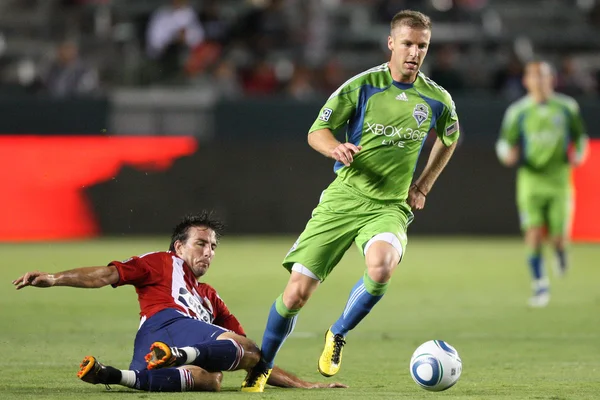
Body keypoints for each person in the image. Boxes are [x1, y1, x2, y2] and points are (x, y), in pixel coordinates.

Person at [240, 10, 460, 392]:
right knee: (296, 294)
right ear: (391, 43)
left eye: (422, 46)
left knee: (382, 267)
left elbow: (450, 137)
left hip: (388, 207)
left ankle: (338, 332)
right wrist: (335, 147)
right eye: (407, 43)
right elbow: (317, 131)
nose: (414, 52)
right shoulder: (362, 86)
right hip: (343, 199)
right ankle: (263, 366)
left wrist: (422, 185)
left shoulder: (436, 98)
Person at [12, 212, 346, 392]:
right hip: (164, 323)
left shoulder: (210, 297)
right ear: (178, 247)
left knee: (213, 378)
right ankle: (179, 355)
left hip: (153, 348)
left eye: (213, 247)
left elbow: (252, 359)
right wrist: (56, 278)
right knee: (237, 351)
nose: (208, 252)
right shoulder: (160, 263)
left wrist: (304, 383)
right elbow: (104, 275)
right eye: (201, 243)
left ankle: (114, 375)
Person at [496, 61, 589, 308]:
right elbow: (504, 142)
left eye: (544, 77)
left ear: (552, 80)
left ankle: (560, 252)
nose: (540, 82)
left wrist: (579, 154)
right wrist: (507, 154)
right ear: (526, 82)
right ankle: (540, 285)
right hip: (531, 181)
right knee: (534, 233)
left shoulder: (567, 107)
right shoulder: (518, 111)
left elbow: (580, 137)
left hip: (559, 181)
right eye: (535, 77)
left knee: (558, 237)